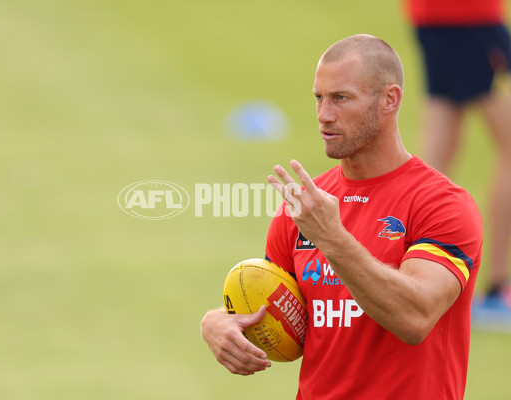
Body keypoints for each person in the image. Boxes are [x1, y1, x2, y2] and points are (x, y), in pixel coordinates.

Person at [201, 34, 483, 399]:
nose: (324, 115)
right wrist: (218, 324)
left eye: (341, 98)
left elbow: (415, 318)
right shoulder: (305, 205)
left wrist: (334, 239)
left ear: (389, 100)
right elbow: (278, 313)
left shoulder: (440, 204)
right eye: (319, 98)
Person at [405, 0, 511, 326]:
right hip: (466, 16)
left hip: (437, 17)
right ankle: (496, 289)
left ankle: (408, 280)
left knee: (439, 147)